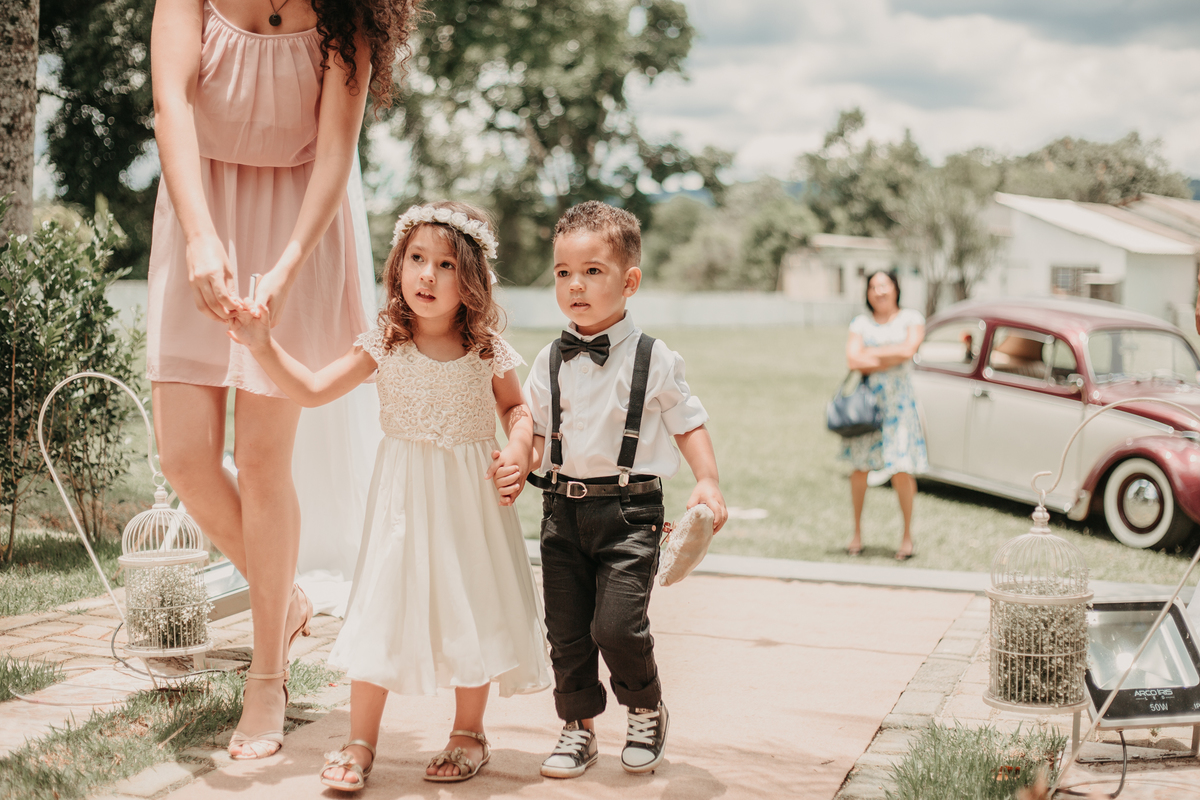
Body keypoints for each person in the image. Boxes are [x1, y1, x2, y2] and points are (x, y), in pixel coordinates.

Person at [147, 0, 421, 759]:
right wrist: (201, 238)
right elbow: (170, 106)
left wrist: (287, 272)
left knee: (266, 461)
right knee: (186, 461)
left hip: (299, 225)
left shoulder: (351, 14)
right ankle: (287, 597)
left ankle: (267, 677)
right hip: (199, 209)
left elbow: (335, 153)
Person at [228, 201, 550, 789]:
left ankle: (468, 732)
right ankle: (360, 742)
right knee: (380, 607)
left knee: (469, 603)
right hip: (402, 501)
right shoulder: (386, 339)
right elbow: (312, 389)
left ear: (471, 277)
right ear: (399, 265)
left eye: (446, 264)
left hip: (470, 501)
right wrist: (261, 343)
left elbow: (516, 408)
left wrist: (520, 448)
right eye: (417, 259)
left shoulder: (486, 346)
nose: (427, 275)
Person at [523, 201, 728, 779]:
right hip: (561, 510)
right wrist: (518, 459)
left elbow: (688, 421)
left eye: (592, 271)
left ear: (629, 281)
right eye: (563, 272)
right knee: (565, 628)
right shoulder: (549, 358)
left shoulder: (654, 358)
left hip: (631, 511)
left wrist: (707, 480)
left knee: (615, 625)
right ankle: (577, 728)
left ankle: (644, 707)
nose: (575, 285)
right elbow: (532, 426)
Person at [843, 270, 928, 560]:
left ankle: (906, 537)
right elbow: (853, 359)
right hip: (868, 405)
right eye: (873, 286)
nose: (879, 291)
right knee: (860, 468)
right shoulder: (860, 322)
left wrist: (872, 354)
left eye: (884, 285)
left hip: (900, 405)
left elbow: (909, 350)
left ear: (896, 288)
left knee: (901, 469)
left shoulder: (912, 318)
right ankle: (856, 533)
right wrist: (891, 354)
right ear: (867, 293)